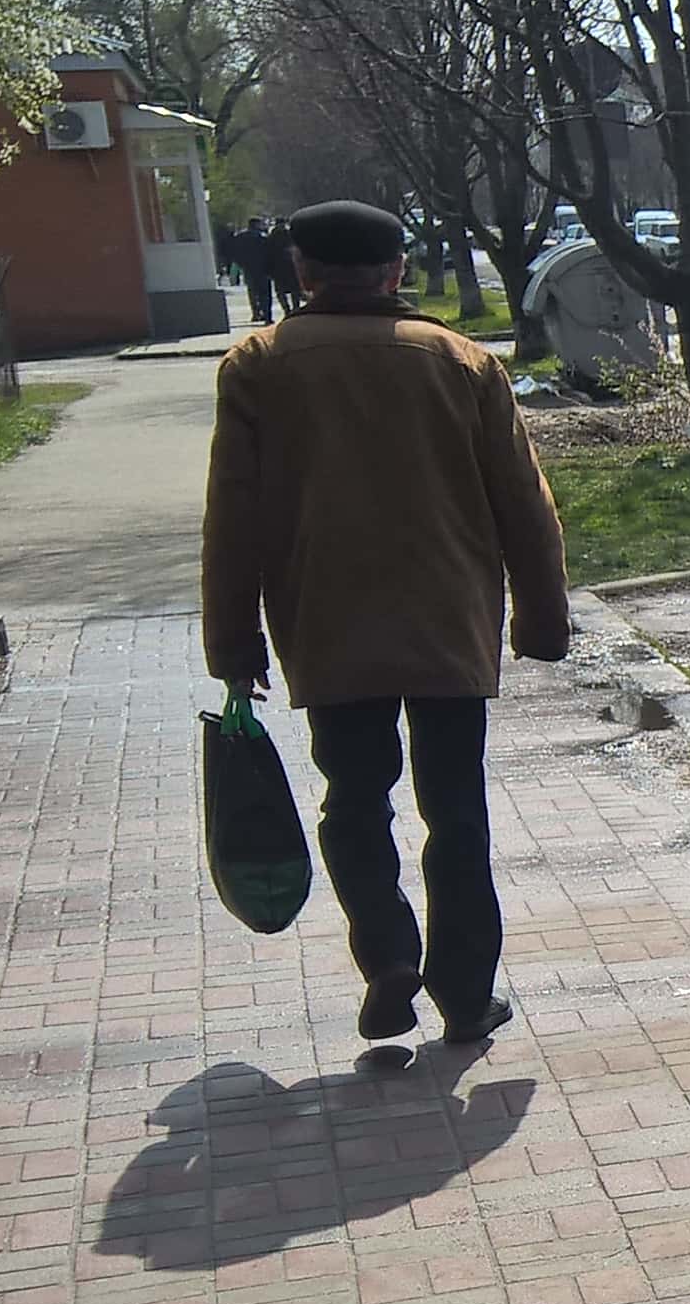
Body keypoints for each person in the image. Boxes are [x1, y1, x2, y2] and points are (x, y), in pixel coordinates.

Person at [202, 199, 570, 1047]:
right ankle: (467, 995)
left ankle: (389, 957)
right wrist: (542, 620)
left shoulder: (260, 363)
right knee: (457, 810)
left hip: (328, 624)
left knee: (355, 803)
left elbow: (234, 515)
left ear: (302, 272)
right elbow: (525, 504)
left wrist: (232, 642)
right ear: (397, 270)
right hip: (448, 622)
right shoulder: (460, 360)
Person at [228, 216, 277, 325]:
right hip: (263, 268)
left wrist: (241, 264)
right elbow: (270, 253)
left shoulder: (240, 237)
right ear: (257, 225)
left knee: (252, 291)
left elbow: (234, 252)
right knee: (265, 293)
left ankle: (256, 313)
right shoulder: (263, 237)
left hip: (248, 268)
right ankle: (267, 316)